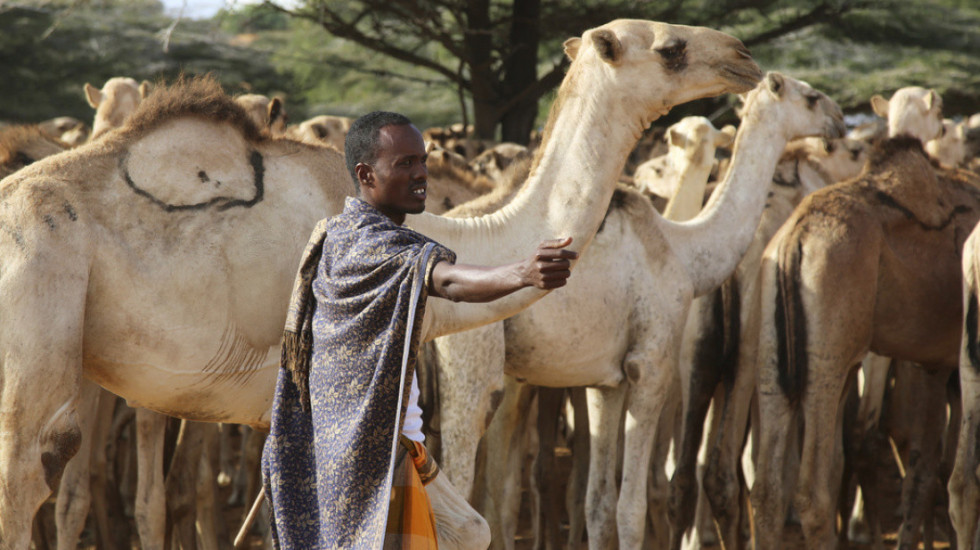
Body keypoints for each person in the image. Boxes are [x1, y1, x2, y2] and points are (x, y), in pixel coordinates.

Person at [261, 111, 578, 549]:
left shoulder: (340, 234)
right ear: (366, 174)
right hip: (370, 450)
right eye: (405, 163)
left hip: (386, 441)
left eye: (423, 161)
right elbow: (449, 281)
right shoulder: (370, 245)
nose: (421, 174)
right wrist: (524, 272)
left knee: (468, 533)